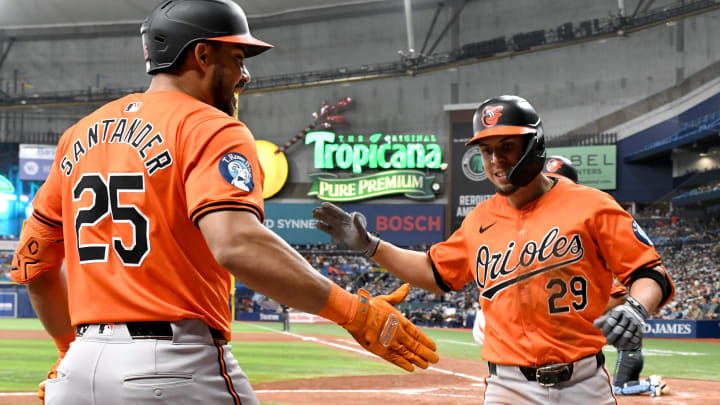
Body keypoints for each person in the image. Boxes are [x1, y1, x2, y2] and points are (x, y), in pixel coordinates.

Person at [10, 1, 438, 404]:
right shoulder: (210, 125)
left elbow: (34, 268)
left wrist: (70, 351)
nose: (244, 74)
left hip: (78, 372)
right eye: (237, 58)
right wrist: (354, 312)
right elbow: (237, 244)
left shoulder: (77, 135)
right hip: (171, 366)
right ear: (201, 54)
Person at [313, 95, 675, 404]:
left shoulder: (592, 205)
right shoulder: (478, 221)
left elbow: (649, 273)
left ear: (535, 145)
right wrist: (370, 245)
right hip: (508, 388)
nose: (495, 160)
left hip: (584, 385)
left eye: (507, 146)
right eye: (486, 151)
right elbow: (434, 271)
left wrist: (636, 307)